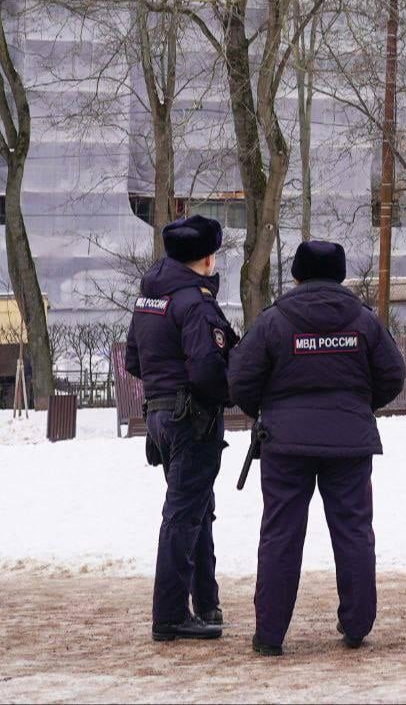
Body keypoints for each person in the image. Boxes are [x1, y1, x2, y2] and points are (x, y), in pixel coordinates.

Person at [228, 240, 406, 656]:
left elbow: (240, 378)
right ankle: (357, 626)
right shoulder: (364, 322)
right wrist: (358, 407)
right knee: (354, 531)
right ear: (341, 274)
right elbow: (393, 374)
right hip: (349, 444)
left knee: (280, 535)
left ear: (297, 275)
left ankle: (269, 634)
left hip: (284, 447)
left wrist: (268, 412)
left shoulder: (275, 321)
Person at [125, 215, 238, 642]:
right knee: (183, 516)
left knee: (196, 511)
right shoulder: (195, 303)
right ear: (206, 258)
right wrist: (232, 391)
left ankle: (206, 603)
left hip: (159, 415)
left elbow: (134, 360)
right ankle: (170, 614)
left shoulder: (150, 298)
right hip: (192, 419)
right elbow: (209, 370)